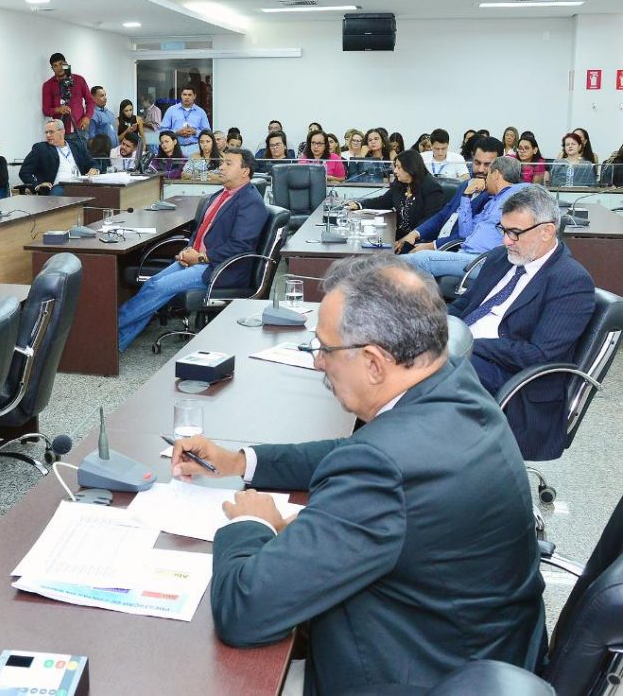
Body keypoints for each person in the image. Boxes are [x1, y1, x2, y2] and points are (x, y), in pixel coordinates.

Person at [172, 252, 545, 695]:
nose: (318, 363)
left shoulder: (384, 467)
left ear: (373, 362)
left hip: (411, 674)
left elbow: (244, 612)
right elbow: (357, 452)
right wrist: (240, 462)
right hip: (482, 648)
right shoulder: (453, 387)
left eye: (325, 349)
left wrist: (252, 522)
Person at [449, 184, 595, 459]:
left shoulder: (570, 280)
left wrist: (469, 344)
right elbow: (465, 305)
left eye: (515, 232)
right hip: (467, 354)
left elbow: (539, 354)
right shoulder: (500, 259)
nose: (506, 241)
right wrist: (437, 328)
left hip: (514, 379)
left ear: (546, 231)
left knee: (428, 373)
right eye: (503, 230)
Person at [117, 148, 268, 351]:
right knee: (152, 283)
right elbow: (201, 230)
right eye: (222, 162)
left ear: (245, 171)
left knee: (158, 288)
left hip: (219, 268)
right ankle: (116, 342)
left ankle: (109, 329)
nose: (221, 167)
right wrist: (188, 250)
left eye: (228, 163)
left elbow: (240, 245)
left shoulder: (251, 202)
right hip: (197, 259)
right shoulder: (221, 194)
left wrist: (201, 257)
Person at [400, 155, 527, 279]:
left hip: (482, 260)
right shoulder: (492, 201)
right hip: (465, 254)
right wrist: (466, 196)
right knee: (411, 266)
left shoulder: (518, 197)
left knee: (420, 260)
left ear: (496, 174)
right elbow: (465, 232)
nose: (485, 179)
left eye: (488, 174)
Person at [347, 150, 443, 239]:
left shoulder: (431, 188)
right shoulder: (400, 183)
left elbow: (429, 221)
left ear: (411, 167)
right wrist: (360, 204)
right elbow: (383, 201)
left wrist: (407, 239)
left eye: (399, 167)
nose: (395, 171)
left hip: (419, 241)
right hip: (398, 237)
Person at [19, 119, 98, 195]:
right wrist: (37, 185)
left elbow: (93, 164)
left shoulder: (77, 147)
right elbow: (24, 172)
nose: (48, 135)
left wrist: (94, 169)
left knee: (99, 193)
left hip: (80, 185)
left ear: (62, 131)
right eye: (46, 132)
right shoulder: (41, 149)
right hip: (58, 187)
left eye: (51, 132)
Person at [40, 53, 94, 137]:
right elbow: (46, 110)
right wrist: (58, 110)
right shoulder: (48, 85)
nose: (59, 68)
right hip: (60, 131)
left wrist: (87, 117)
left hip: (80, 127)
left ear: (66, 64)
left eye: (61, 64)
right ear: (52, 69)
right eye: (55, 66)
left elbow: (90, 101)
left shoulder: (79, 80)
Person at [159, 85, 210, 157]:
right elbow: (162, 131)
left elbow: (208, 132)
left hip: (196, 147)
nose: (187, 97)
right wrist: (176, 133)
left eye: (189, 95)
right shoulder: (171, 110)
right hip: (175, 147)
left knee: (195, 165)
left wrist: (195, 132)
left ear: (194, 96)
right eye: (184, 94)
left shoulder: (201, 112)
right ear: (181, 96)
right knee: (177, 165)